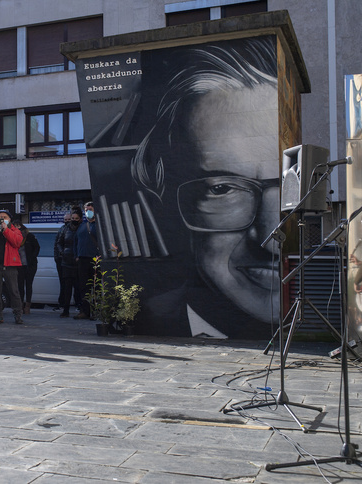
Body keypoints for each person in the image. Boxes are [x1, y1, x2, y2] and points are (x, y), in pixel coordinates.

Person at [129, 36, 281, 338]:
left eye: (290, 186)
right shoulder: (150, 317)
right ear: (165, 197)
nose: (269, 238)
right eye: (224, 188)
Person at [73, 202, 99, 319]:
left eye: (90, 209)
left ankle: (96, 311)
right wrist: (76, 255)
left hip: (96, 260)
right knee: (84, 287)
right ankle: (85, 311)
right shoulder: (82, 226)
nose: (88, 211)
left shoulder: (99, 225)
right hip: (82, 260)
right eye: (86, 209)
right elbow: (75, 242)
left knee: (97, 286)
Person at [58, 210, 82, 318]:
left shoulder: (82, 228)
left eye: (76, 219)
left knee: (79, 287)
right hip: (67, 261)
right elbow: (59, 243)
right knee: (67, 287)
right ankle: (65, 309)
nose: (74, 220)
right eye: (73, 218)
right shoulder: (65, 229)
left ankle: (80, 308)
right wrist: (62, 252)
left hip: (78, 262)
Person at [13, 218, 40, 314]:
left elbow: (37, 248)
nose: (17, 228)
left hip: (30, 265)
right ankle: (20, 305)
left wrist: (32, 258)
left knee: (28, 285)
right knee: (20, 285)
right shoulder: (13, 237)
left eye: (18, 226)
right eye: (14, 226)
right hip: (19, 265)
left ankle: (27, 306)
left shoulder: (29, 236)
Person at [54, 212, 71, 307]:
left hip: (71, 259)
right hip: (61, 259)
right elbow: (56, 244)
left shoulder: (74, 229)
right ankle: (62, 302)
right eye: (65, 220)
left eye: (69, 220)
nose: (67, 221)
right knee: (63, 282)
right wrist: (57, 257)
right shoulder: (61, 229)